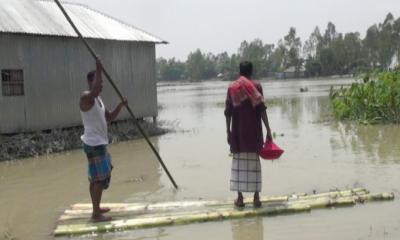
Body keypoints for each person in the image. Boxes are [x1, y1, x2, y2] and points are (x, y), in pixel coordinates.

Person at [80, 58, 128, 222]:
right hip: (93, 144)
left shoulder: (99, 101)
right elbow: (93, 92)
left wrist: (121, 105)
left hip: (99, 143)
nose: (101, 85)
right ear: (90, 82)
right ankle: (96, 214)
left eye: (101, 83)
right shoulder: (86, 97)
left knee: (98, 177)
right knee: (99, 179)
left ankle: (96, 207)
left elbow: (109, 117)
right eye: (97, 82)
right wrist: (99, 70)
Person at [224, 61, 272, 208]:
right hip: (254, 133)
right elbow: (262, 110)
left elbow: (228, 113)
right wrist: (269, 130)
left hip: (238, 133)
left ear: (240, 72)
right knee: (254, 164)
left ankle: (240, 199)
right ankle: (256, 198)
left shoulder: (232, 88)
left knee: (238, 164)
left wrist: (228, 131)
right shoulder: (256, 87)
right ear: (251, 72)